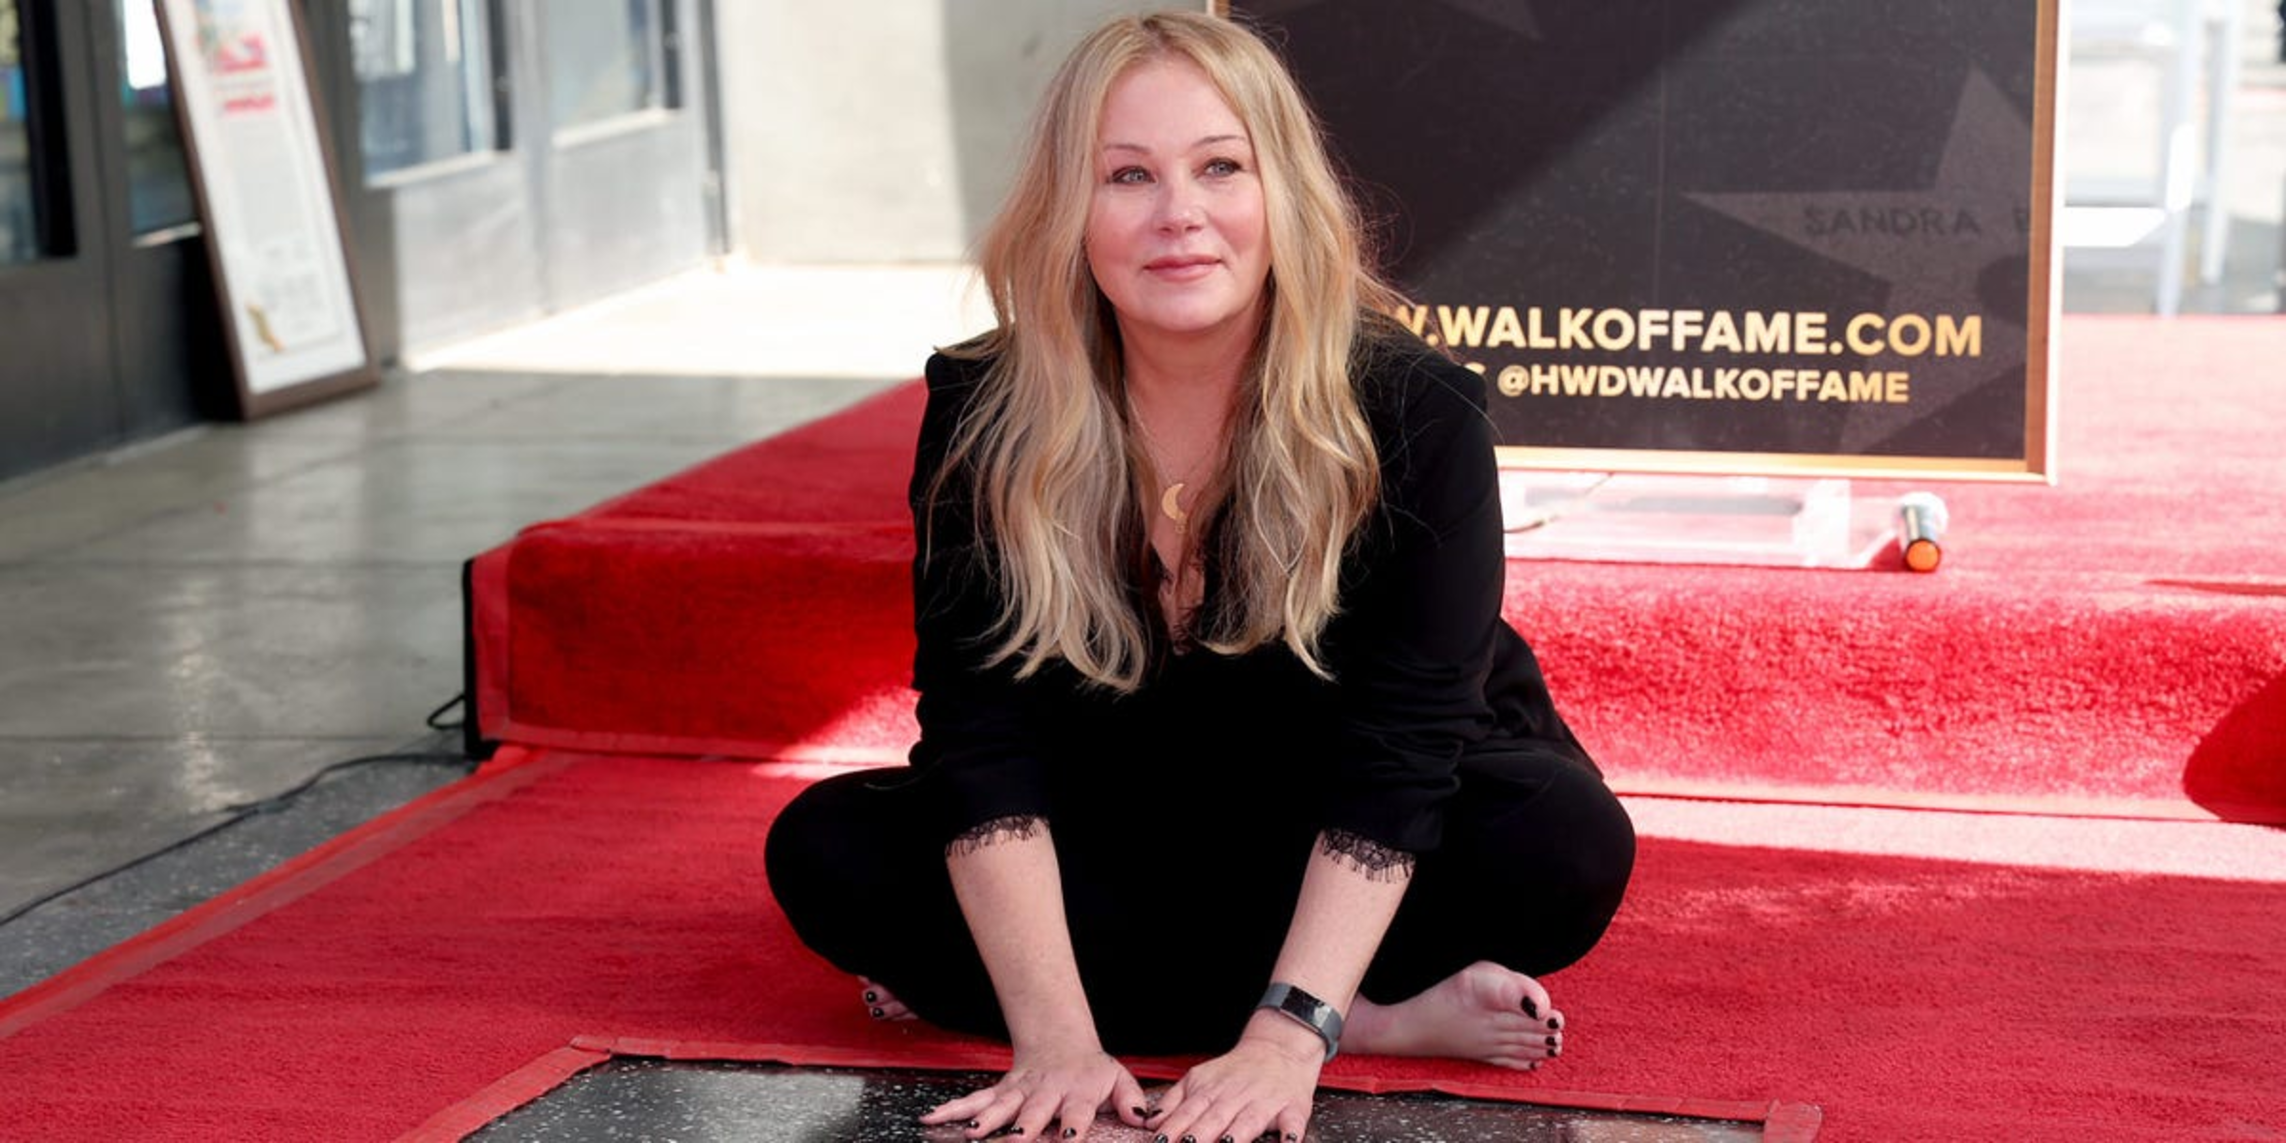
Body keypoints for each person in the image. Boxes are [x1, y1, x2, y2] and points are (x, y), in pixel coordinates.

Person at [763, 11, 1635, 1143]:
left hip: (1343, 797)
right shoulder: (987, 408)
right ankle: (1369, 1015)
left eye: (1221, 166)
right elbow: (981, 734)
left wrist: (1285, 1040)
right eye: (1127, 175)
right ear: (1068, 209)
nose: (1179, 213)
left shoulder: (1417, 408)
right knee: (826, 851)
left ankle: (1293, 1008)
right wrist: (1053, 1040)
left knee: (1563, 844)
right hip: (1119, 805)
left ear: (1284, 191)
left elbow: (1406, 749)